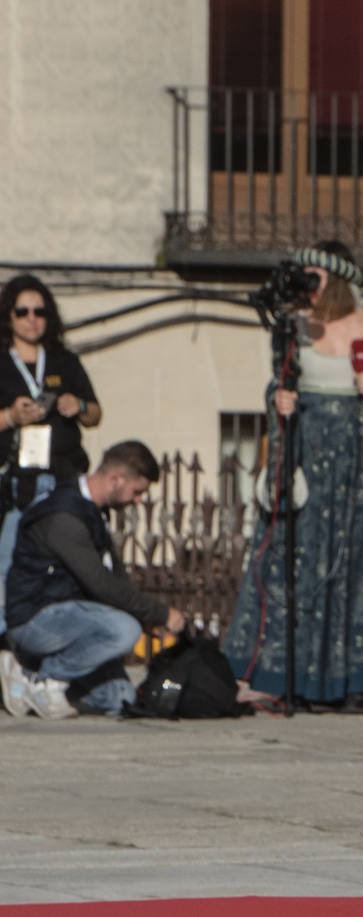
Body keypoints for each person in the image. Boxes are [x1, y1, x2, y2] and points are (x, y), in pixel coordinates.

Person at [222, 241, 363, 714]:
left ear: (338, 279)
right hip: (307, 463)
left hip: (358, 470)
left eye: (317, 275)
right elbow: (278, 385)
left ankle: (353, 680)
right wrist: (278, 401)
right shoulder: (292, 330)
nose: (309, 283)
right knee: (298, 568)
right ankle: (295, 678)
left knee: (352, 566)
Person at [0, 440, 184, 718]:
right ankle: (42, 680)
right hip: (36, 619)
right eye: (137, 492)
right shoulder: (64, 515)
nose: (138, 501)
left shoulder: (93, 510)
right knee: (124, 630)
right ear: (116, 479)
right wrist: (160, 613)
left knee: (121, 699)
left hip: (70, 619)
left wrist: (141, 611)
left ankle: (37, 672)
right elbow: (101, 585)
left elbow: (115, 575)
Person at [0, 274, 101, 639]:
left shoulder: (64, 361)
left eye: (39, 312)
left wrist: (79, 405)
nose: (31, 319)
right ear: (8, 316)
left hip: (62, 479)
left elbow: (96, 414)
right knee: (8, 565)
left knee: (62, 563)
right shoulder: (1, 362)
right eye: (22, 311)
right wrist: (11, 416)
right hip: (16, 483)